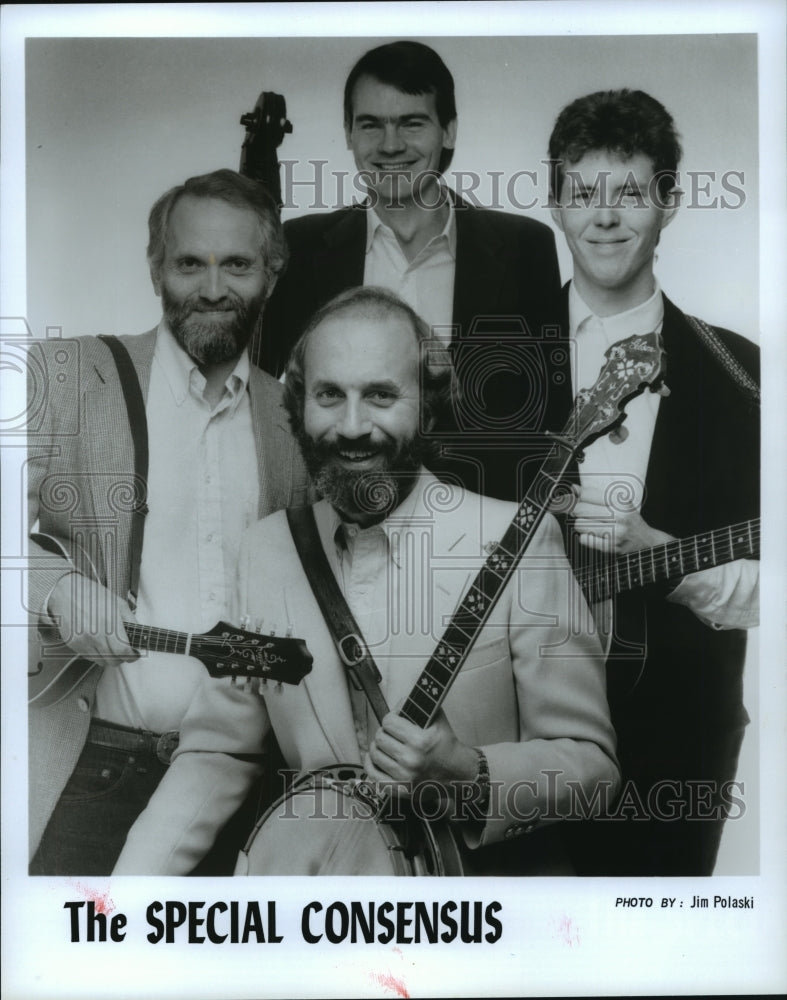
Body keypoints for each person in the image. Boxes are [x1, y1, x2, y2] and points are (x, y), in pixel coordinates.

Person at [113, 285, 620, 876]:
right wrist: (121, 899)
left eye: (381, 395)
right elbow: (218, 749)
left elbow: (593, 770)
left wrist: (471, 771)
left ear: (427, 407)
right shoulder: (268, 549)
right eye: (329, 395)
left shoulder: (516, 540)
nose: (352, 427)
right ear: (299, 404)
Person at [27, 168, 310, 875]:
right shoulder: (67, 377)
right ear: (157, 269)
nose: (212, 287)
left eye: (237, 264)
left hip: (243, 786)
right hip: (91, 766)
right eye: (190, 262)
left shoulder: (298, 418)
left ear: (271, 275)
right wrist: (57, 588)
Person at [541, 89, 760, 875]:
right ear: (555, 203)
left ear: (668, 203)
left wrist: (662, 556)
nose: (604, 217)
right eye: (583, 192)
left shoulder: (744, 376)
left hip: (678, 740)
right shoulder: (486, 360)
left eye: (629, 192)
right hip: (512, 734)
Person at [258, 40, 562, 501]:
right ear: (348, 133)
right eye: (371, 125)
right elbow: (260, 396)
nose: (391, 145)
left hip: (484, 531)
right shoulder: (298, 246)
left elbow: (551, 414)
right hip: (339, 526)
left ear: (449, 131)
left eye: (412, 123)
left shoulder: (526, 247)